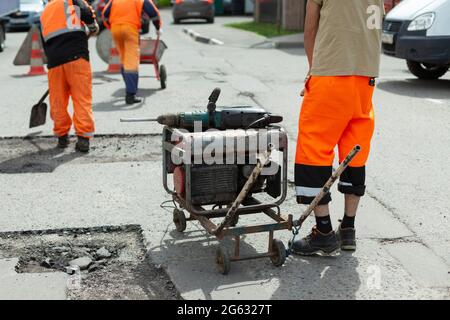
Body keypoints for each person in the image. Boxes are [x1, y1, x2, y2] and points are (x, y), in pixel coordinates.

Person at [292, 0, 384, 255]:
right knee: (354, 152)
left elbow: (310, 30)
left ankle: (323, 232)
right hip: (366, 80)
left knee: (313, 150)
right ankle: (348, 230)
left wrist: (313, 70)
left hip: (331, 76)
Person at [40, 0, 99, 152]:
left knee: (58, 100)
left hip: (54, 62)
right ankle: (83, 139)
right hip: (76, 57)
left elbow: (44, 40)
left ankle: (62, 137)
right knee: (81, 99)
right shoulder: (71, 0)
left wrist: (53, 60)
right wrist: (92, 25)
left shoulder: (46, 10)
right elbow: (86, 12)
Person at [102, 0, 162, 105]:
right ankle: (130, 95)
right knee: (131, 61)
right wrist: (158, 27)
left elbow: (105, 14)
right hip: (130, 28)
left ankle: (129, 87)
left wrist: (111, 27)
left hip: (115, 29)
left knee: (124, 58)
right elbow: (154, 13)